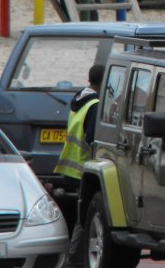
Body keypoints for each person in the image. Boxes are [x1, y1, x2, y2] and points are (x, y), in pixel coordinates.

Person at [54, 64, 104, 266]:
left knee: (78, 215)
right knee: (85, 218)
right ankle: (73, 260)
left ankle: (71, 258)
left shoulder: (79, 100)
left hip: (71, 167)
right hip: (84, 168)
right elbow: (92, 139)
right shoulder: (94, 105)